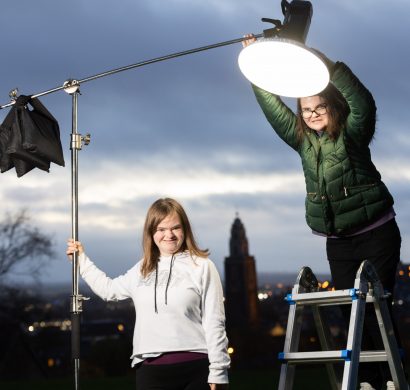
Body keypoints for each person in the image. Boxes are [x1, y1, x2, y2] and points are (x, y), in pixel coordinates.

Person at [242, 35, 403, 389]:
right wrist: (255, 64)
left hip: (376, 232)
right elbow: (273, 108)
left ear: (331, 106)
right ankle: (367, 381)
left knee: (375, 308)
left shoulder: (352, 133)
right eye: (305, 109)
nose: (312, 114)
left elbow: (363, 102)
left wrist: (325, 64)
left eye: (319, 107)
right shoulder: (302, 142)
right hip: (339, 241)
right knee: (350, 315)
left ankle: (390, 380)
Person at [66, 197, 230, 390]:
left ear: (185, 229)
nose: (169, 235)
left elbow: (215, 321)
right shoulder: (142, 269)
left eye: (175, 228)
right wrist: (82, 261)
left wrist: (219, 372)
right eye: (161, 229)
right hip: (151, 372)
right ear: (151, 232)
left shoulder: (202, 266)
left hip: (196, 369)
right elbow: (109, 290)